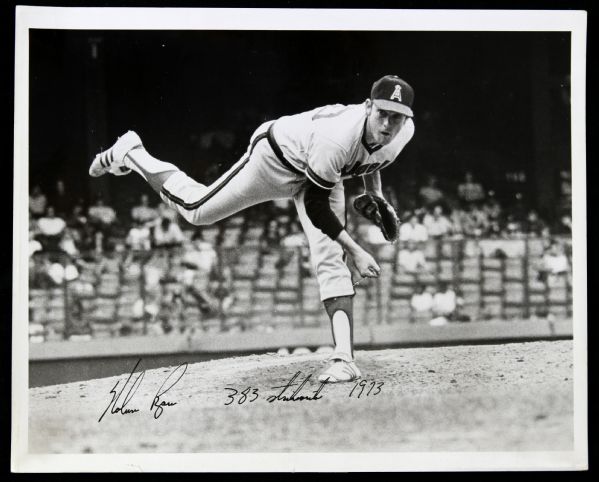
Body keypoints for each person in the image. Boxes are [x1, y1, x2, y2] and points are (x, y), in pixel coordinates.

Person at [89, 74, 416, 383]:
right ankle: (132, 152)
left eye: (396, 117)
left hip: (320, 172)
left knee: (330, 258)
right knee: (196, 210)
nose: (388, 124)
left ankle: (344, 359)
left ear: (407, 118)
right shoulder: (338, 137)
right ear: (369, 105)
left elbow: (373, 158)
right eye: (383, 113)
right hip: (276, 159)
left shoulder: (403, 132)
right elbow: (318, 206)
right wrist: (356, 250)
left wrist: (376, 194)